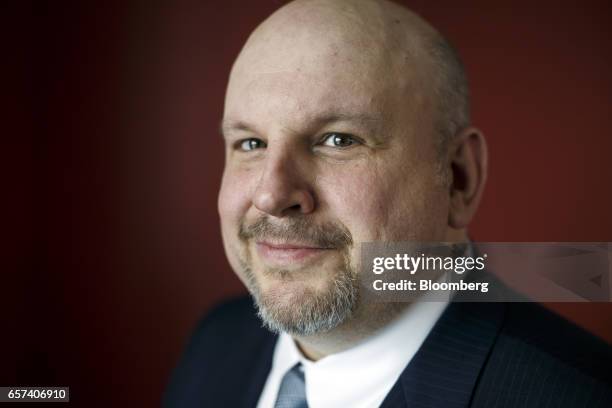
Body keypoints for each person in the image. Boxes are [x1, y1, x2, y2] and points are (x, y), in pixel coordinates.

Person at [164, 0, 611, 406]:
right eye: (250, 143)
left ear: (458, 178)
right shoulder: (218, 342)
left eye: (338, 140)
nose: (272, 195)